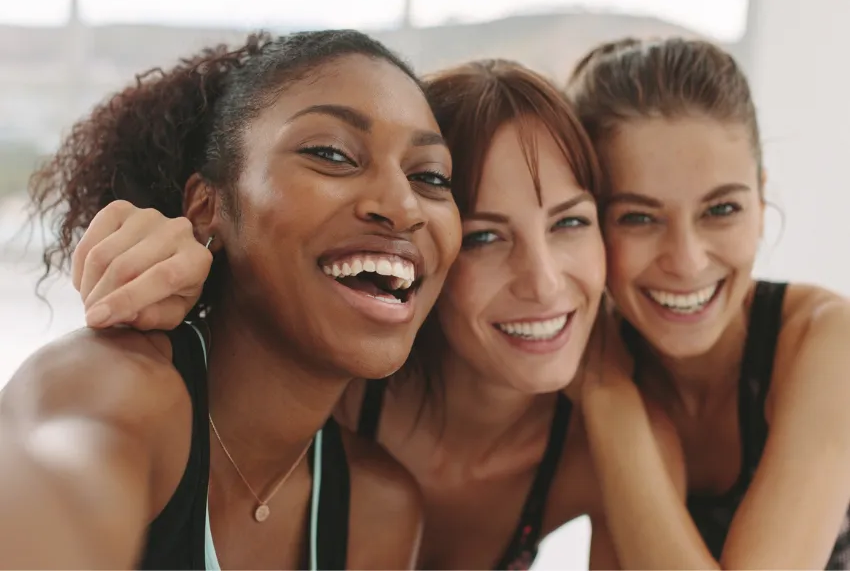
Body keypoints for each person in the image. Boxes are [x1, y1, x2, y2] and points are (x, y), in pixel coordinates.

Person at [60, 57, 686, 569]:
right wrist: (181, 271)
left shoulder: (597, 442)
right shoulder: (337, 382)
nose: (546, 282)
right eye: (486, 237)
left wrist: (609, 395)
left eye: (571, 222)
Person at [2, 29, 463, 569]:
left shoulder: (377, 508)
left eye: (430, 176)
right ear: (206, 207)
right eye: (332, 154)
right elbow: (49, 476)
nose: (403, 206)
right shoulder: (116, 385)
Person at [567, 37, 850, 569]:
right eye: (639, 216)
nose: (688, 260)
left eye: (721, 209)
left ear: (761, 205)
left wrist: (610, 404)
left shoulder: (830, 339)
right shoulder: (567, 355)